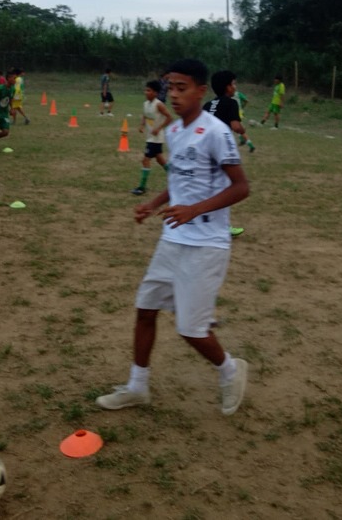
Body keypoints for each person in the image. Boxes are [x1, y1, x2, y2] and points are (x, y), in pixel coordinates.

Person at [96, 58, 250, 416]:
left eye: (182, 88)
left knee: (192, 330)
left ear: (200, 91)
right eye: (171, 88)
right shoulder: (176, 130)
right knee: (145, 309)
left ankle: (230, 371)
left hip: (206, 244)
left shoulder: (216, 132)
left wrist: (194, 210)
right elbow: (179, 178)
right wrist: (153, 204)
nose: (175, 95)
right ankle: (137, 387)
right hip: (172, 239)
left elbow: (241, 187)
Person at [203, 70, 253, 237]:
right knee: (226, 188)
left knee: (207, 186)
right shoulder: (231, 103)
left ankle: (201, 218)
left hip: (203, 149)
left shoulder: (207, 105)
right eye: (233, 84)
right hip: (220, 151)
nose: (235, 87)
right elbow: (235, 126)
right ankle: (223, 226)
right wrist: (243, 130)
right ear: (227, 87)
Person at [131, 80, 173, 196]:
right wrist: (141, 125)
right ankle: (175, 175)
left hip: (156, 138)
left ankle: (142, 187)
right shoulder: (146, 104)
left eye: (149, 90)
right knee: (160, 159)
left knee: (145, 160)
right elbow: (145, 115)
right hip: (150, 137)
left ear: (155, 93)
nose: (146, 92)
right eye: (146, 90)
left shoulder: (159, 104)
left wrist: (159, 128)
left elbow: (169, 117)